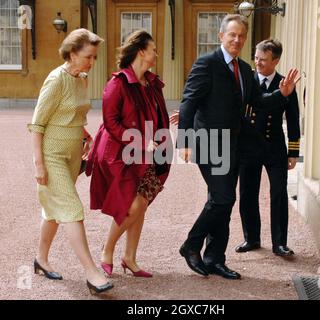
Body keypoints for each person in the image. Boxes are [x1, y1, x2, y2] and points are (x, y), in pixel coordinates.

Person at [177, 14, 300, 280]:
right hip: (208, 141)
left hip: (233, 143)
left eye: (241, 36)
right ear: (221, 36)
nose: (237, 39)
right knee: (224, 198)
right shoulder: (206, 63)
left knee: (220, 201)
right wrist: (185, 139)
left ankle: (214, 258)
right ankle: (191, 244)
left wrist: (283, 94)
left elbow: (260, 102)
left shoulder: (244, 69)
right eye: (232, 34)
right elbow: (188, 101)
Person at [28, 29, 113, 294]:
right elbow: (38, 124)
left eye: (94, 57)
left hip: (73, 154)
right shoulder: (55, 80)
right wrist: (39, 164)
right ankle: (91, 273)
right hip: (52, 156)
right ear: (72, 53)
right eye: (88, 56)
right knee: (72, 210)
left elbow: (73, 114)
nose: (91, 62)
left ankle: (41, 260)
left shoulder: (82, 79)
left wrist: (85, 135)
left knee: (55, 209)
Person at [86, 30, 171, 278]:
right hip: (122, 155)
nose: (156, 53)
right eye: (153, 49)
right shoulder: (117, 83)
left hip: (149, 153)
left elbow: (157, 116)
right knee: (133, 206)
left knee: (141, 204)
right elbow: (110, 123)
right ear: (141, 51)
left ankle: (130, 257)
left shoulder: (152, 83)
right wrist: (140, 141)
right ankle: (107, 250)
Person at [235, 39, 300, 256]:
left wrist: (293, 152)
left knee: (279, 193)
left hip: (274, 147)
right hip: (249, 146)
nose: (258, 63)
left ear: (276, 60)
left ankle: (280, 243)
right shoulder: (247, 80)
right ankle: (251, 238)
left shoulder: (286, 83)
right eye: (256, 58)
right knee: (247, 193)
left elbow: (293, 119)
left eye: (263, 59)